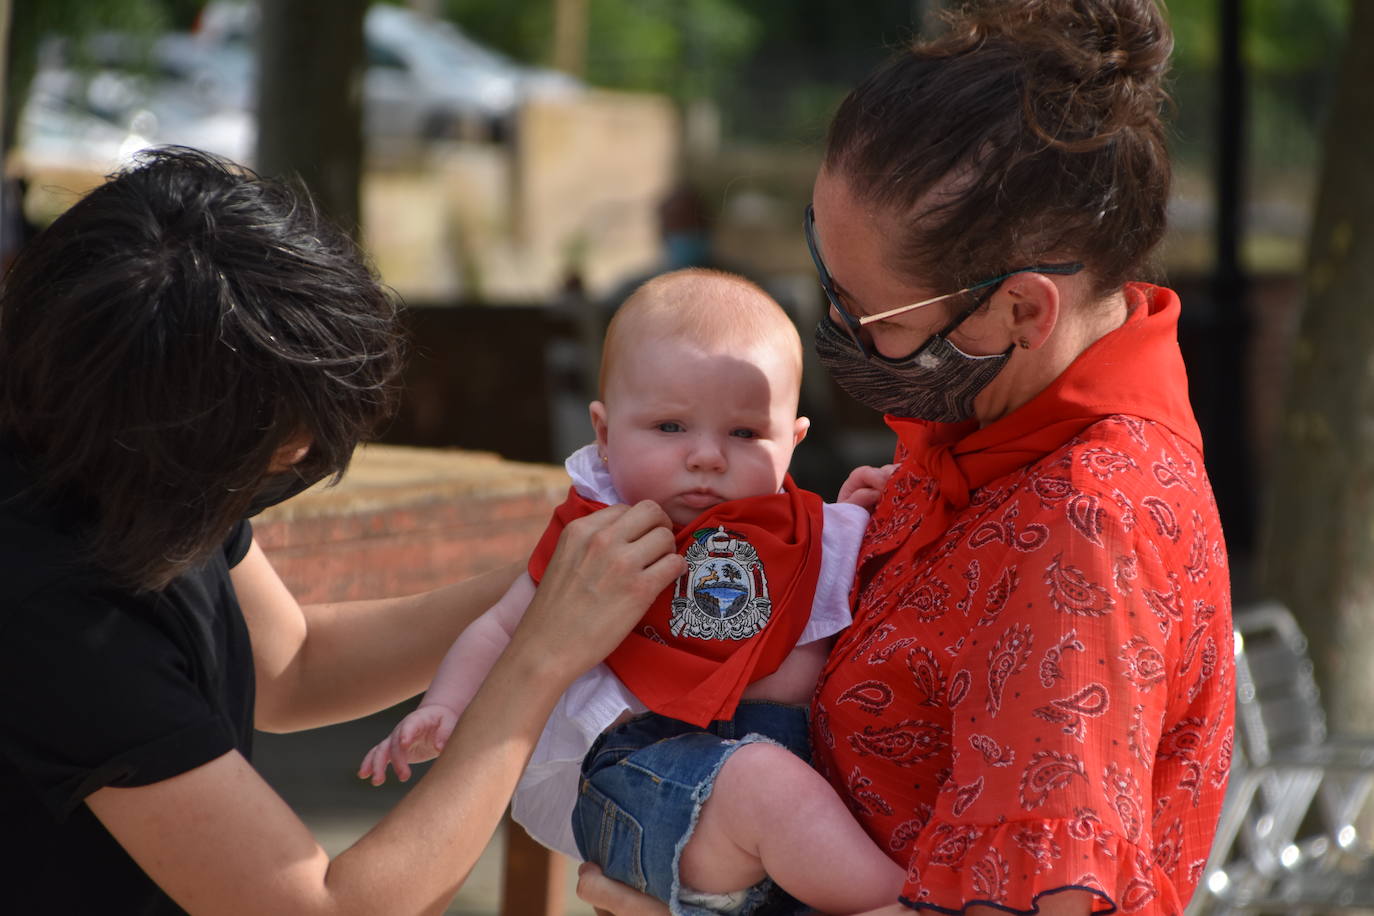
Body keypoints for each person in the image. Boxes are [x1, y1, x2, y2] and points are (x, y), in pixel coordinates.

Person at [577, 1, 1234, 914]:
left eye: (872, 315)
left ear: (1021, 311)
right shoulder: (986, 410)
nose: (838, 325)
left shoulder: (1081, 525)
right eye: (827, 274)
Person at [0, 146, 685, 915]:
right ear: (176, 433)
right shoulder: (50, 607)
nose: (299, 455)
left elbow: (293, 666)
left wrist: (547, 582)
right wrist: (539, 661)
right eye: (283, 437)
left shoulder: (108, 454)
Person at [359, 267, 904, 915]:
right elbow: (502, 628)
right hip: (646, 776)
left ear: (793, 440)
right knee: (768, 784)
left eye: (744, 433)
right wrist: (447, 706)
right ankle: (908, 905)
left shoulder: (812, 534)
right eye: (670, 427)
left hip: (783, 803)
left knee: (804, 787)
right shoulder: (597, 540)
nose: (706, 456)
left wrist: (867, 521)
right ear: (604, 431)